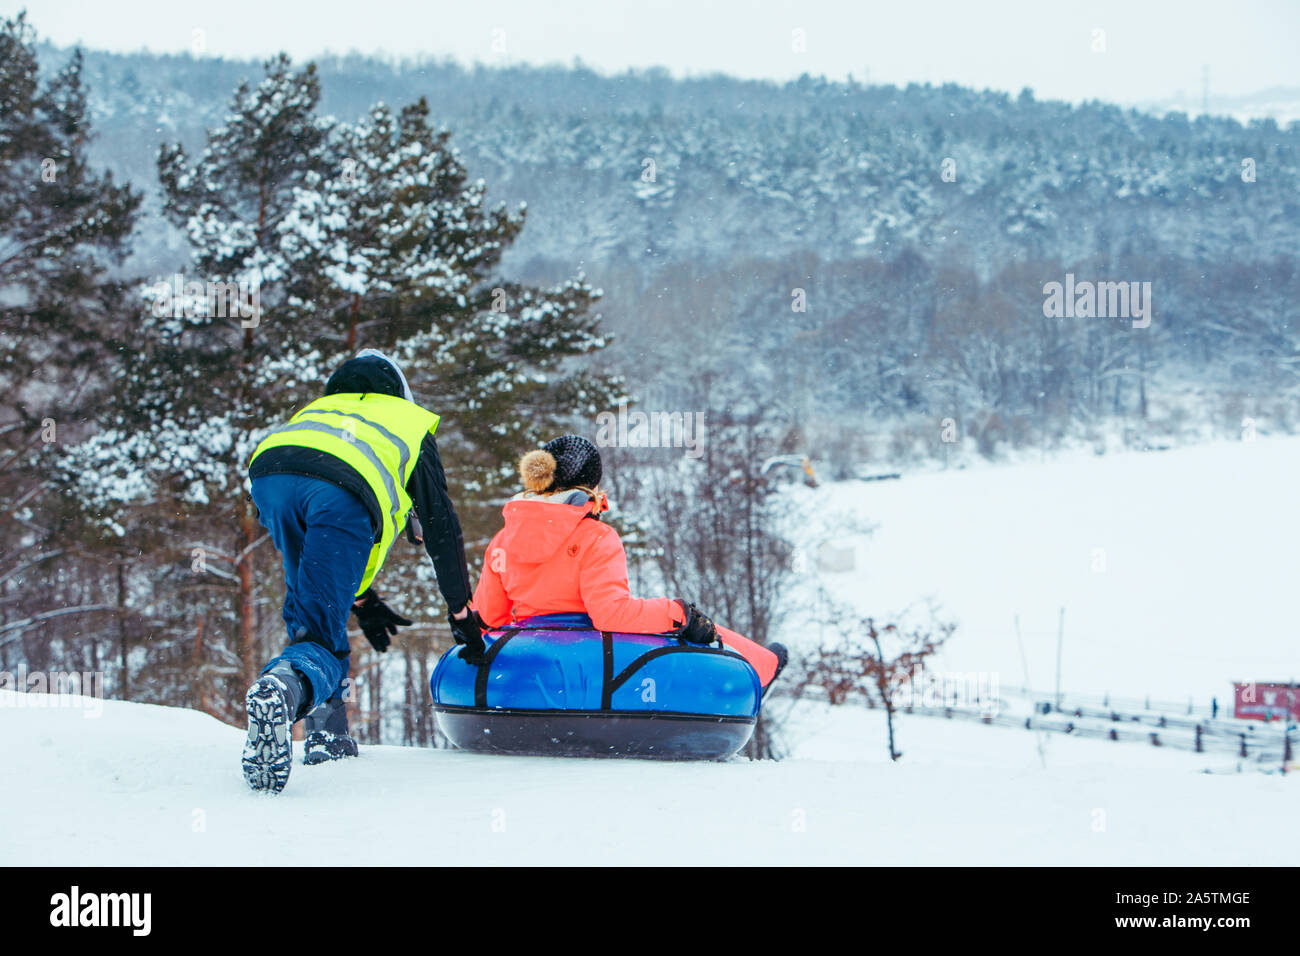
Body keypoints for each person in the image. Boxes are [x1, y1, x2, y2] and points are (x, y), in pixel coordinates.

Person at [241, 349, 485, 794]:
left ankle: (327, 736)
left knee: (312, 612)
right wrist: (461, 611)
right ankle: (282, 690)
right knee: (316, 627)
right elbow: (441, 529)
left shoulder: (321, 412)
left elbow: (329, 544)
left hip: (270, 475)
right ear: (398, 391)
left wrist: (363, 598)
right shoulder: (407, 423)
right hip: (340, 491)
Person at [471, 434, 787, 688]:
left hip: (531, 654)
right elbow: (610, 615)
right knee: (686, 623)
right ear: (590, 485)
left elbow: (488, 616)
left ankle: (762, 665)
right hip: (592, 661)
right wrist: (678, 613)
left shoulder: (502, 540)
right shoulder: (595, 536)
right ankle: (761, 670)